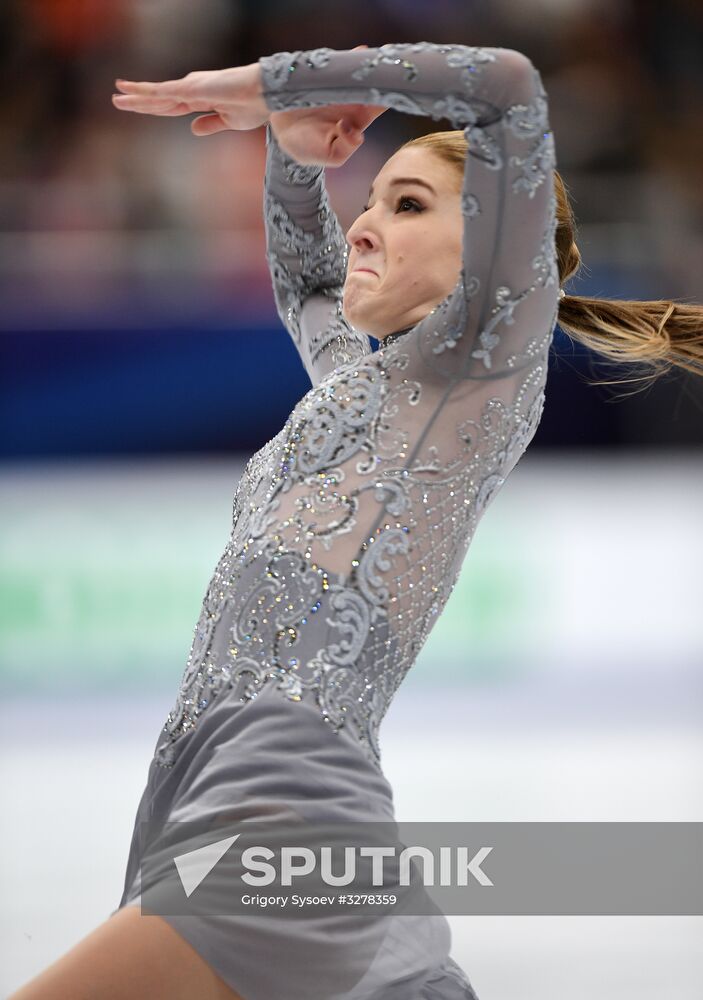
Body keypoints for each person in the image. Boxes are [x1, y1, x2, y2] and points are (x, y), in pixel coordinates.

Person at [11, 41, 702, 1000]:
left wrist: (279, 86)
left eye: (407, 205)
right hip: (216, 796)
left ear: (503, 247)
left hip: (280, 815)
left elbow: (505, 86)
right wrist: (295, 155)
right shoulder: (365, 388)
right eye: (370, 201)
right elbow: (302, 280)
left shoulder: (480, 369)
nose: (365, 224)